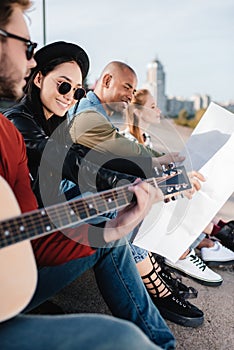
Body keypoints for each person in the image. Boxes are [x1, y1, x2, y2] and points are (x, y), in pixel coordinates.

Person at [0, 1, 170, 349]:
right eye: (27, 47)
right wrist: (126, 182)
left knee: (104, 229)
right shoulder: (20, 124)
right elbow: (66, 162)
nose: (31, 58)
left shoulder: (11, 135)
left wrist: (118, 220)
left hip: (16, 269)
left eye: (77, 91)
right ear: (38, 78)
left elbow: (37, 237)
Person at [68, 61, 210, 327]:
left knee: (137, 194)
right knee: (124, 202)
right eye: (127, 87)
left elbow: (117, 155)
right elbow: (120, 152)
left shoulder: (98, 114)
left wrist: (162, 167)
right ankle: (153, 285)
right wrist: (167, 172)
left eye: (134, 91)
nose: (130, 96)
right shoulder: (87, 114)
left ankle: (153, 271)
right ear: (107, 80)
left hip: (88, 190)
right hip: (76, 201)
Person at [122, 88, 234, 284]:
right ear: (139, 112)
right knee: (184, 197)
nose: (159, 111)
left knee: (193, 189)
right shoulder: (128, 141)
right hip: (139, 205)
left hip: (149, 199)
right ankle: (196, 246)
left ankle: (209, 239)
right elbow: (138, 178)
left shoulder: (144, 139)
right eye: (153, 107)